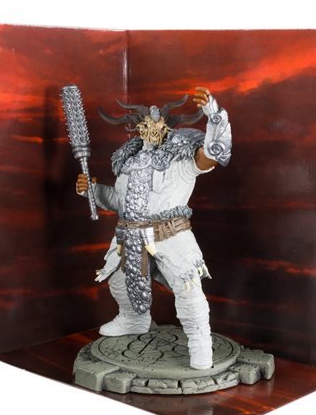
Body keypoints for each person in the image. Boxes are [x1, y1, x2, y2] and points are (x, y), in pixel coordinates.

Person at [76, 87, 232, 369]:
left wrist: (214, 116)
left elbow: (212, 154)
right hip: (129, 236)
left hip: (171, 236)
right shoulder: (129, 162)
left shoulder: (182, 158)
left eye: (156, 122)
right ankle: (133, 320)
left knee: (188, 288)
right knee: (119, 281)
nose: (150, 126)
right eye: (144, 123)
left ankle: (199, 343)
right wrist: (93, 191)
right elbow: (120, 201)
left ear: (167, 126)